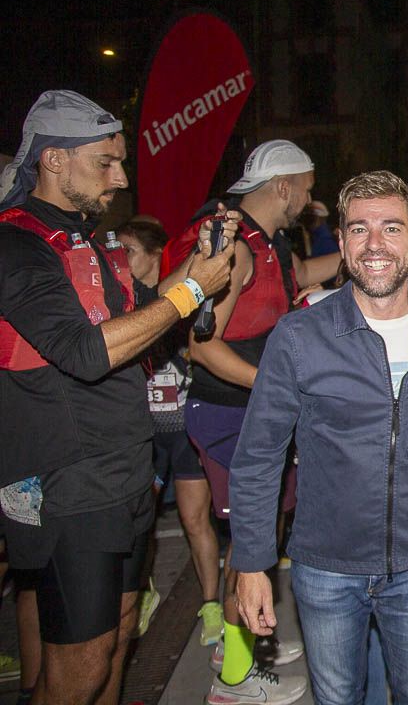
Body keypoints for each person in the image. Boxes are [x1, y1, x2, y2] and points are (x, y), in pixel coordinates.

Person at [0, 90, 235, 705]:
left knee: (121, 640)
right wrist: (188, 295)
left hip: (127, 473)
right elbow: (86, 352)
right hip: (69, 482)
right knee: (77, 667)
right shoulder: (16, 246)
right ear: (53, 161)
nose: (122, 177)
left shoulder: (90, 242)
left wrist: (201, 266)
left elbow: (146, 313)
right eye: (105, 162)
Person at [232, 170, 408, 704]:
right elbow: (258, 457)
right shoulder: (298, 336)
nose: (376, 244)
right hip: (324, 567)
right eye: (359, 230)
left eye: (390, 227)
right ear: (340, 242)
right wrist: (251, 563)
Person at [181, 139, 340, 703]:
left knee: (261, 533)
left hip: (251, 412)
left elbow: (300, 272)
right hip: (229, 414)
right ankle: (232, 681)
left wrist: (364, 249)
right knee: (250, 543)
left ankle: (238, 640)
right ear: (283, 187)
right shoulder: (238, 247)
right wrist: (276, 388)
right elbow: (204, 348)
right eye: (308, 186)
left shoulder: (267, 241)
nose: (310, 197)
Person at [117, 218, 224, 645]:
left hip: (183, 430)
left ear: (153, 255)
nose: (119, 260)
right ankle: (140, 592)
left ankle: (211, 604)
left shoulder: (179, 300)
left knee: (195, 519)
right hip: (144, 435)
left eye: (128, 251)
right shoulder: (121, 306)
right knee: (137, 526)